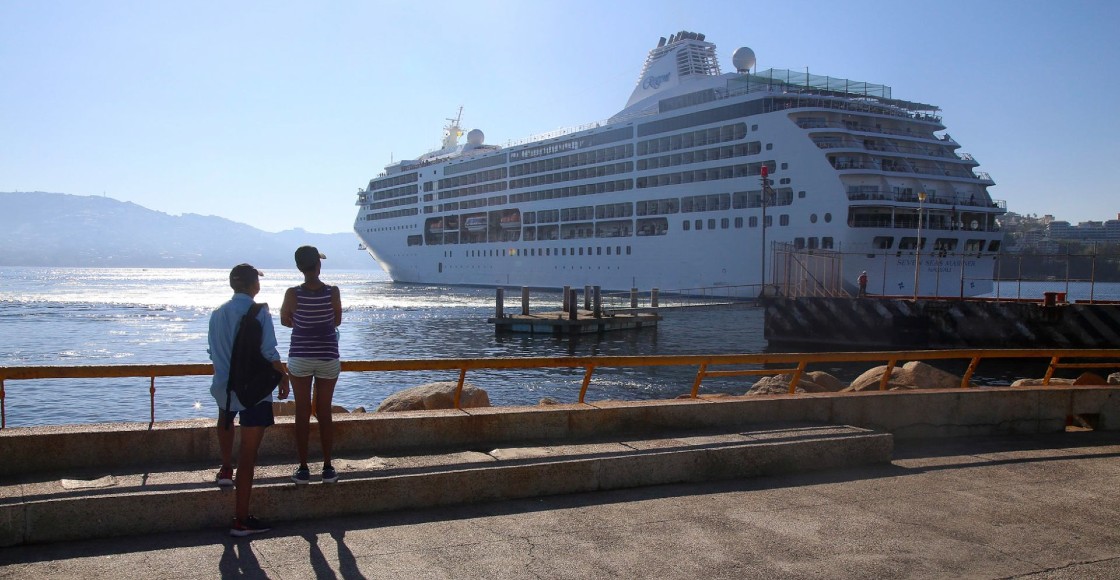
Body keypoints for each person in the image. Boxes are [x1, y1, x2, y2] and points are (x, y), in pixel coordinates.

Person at [209, 263, 289, 537]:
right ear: (255, 284)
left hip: (224, 386)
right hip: (254, 390)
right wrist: (283, 377)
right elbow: (269, 351)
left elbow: (213, 351)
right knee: (248, 454)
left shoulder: (217, 313)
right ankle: (241, 519)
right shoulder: (259, 312)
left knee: (225, 419)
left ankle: (225, 469)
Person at [281, 246, 343, 485]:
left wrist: (300, 323)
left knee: (302, 411)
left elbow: (285, 320)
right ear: (319, 265)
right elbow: (337, 320)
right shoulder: (333, 292)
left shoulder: (292, 293)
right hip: (327, 355)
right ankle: (328, 467)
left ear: (299, 267)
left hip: (301, 356)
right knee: (324, 412)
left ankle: (303, 468)